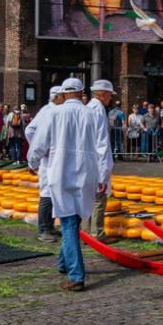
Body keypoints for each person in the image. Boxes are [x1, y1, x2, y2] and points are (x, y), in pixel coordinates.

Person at [28, 78, 111, 292]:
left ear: (64, 94)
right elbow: (103, 146)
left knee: (68, 223)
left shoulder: (54, 113)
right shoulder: (92, 114)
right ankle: (64, 264)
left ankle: (76, 275)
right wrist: (103, 176)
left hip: (61, 173)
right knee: (72, 219)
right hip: (87, 174)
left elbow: (39, 142)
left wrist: (32, 162)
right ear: (82, 92)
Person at [27, 87, 65, 242]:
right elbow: (30, 131)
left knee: (53, 193)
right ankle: (44, 230)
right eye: (63, 96)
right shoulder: (48, 111)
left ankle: (50, 227)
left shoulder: (57, 110)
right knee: (47, 193)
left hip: (56, 160)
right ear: (57, 97)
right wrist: (40, 152)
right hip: (48, 161)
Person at [87, 80, 117, 242]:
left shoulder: (87, 108)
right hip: (97, 162)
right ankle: (97, 234)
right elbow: (102, 143)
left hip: (87, 162)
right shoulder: (98, 110)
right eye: (110, 95)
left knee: (87, 198)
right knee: (98, 199)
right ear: (103, 94)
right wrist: (103, 173)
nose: (111, 99)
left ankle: (85, 232)